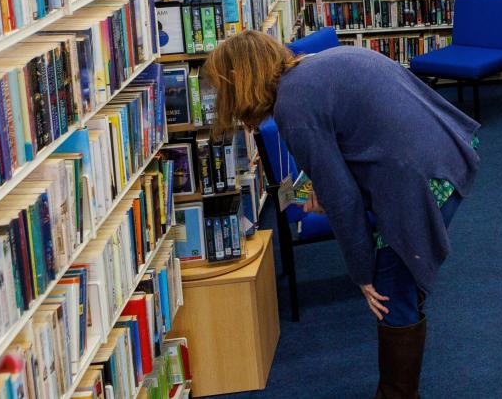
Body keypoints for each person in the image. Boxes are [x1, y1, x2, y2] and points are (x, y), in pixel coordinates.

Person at [203, 31, 479, 399]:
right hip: (446, 146)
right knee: (401, 282)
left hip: (419, 178)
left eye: (223, 88)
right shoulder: (312, 67)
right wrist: (324, 188)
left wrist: (363, 275)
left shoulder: (292, 107)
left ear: (240, 79)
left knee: (388, 291)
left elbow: (344, 201)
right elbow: (351, 138)